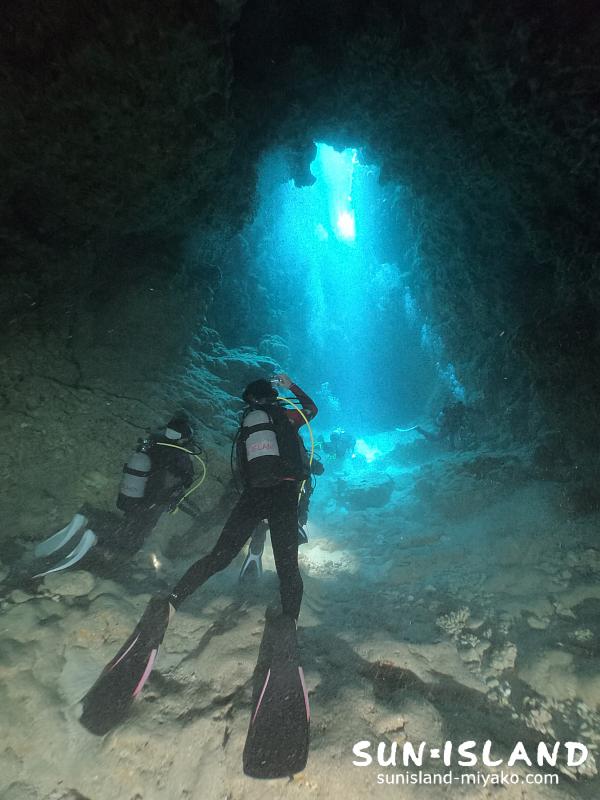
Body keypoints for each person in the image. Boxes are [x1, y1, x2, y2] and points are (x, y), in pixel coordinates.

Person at [80, 374, 318, 735]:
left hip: (252, 497)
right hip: (284, 496)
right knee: (288, 568)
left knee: (218, 557)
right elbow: (312, 409)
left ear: (249, 401)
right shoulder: (285, 417)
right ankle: (288, 626)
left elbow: (244, 470)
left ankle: (171, 604)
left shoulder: (247, 427)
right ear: (272, 396)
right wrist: (291, 386)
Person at [32, 416, 196, 576]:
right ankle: (95, 538)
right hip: (151, 504)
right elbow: (185, 482)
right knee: (133, 542)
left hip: (132, 497)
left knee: (127, 525)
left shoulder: (153, 444)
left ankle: (87, 518)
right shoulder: (181, 457)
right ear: (183, 438)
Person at [239, 450, 324, 580]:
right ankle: (286, 572)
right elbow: (319, 470)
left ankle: (255, 557)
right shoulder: (298, 455)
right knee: (287, 541)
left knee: (261, 530)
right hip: (288, 509)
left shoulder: (268, 453)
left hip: (266, 504)